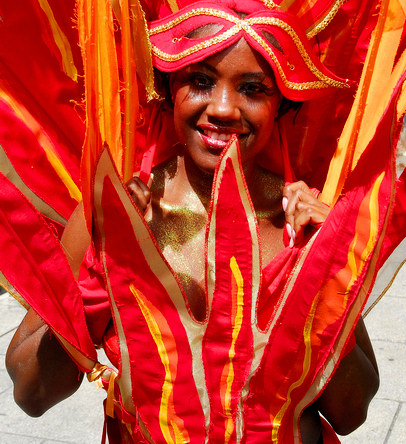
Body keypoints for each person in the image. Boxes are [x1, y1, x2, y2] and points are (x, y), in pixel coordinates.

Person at [6, 35, 379, 443]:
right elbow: (33, 392)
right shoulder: (114, 214)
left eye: (252, 89)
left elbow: (350, 412)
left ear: (282, 104)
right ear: (168, 91)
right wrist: (101, 272)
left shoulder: (304, 225)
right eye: (200, 81)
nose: (222, 108)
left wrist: (320, 269)